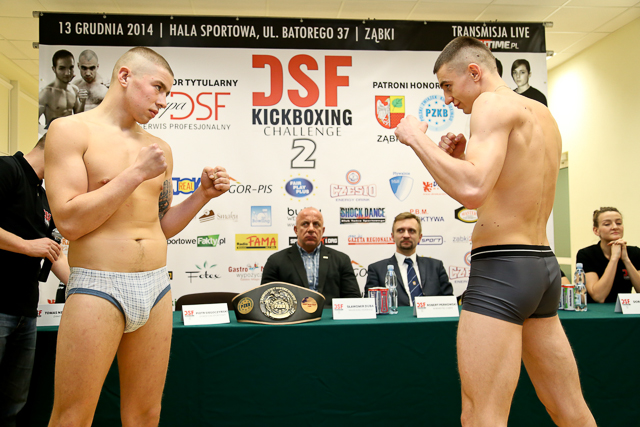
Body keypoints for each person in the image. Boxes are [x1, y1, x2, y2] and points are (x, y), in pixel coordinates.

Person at [394, 36, 595, 426]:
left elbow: (472, 190)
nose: (447, 99)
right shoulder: (541, 113)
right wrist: (459, 158)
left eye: (448, 86)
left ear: (474, 72)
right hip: (542, 268)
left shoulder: (489, 104)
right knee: (570, 410)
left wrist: (416, 138)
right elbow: (502, 187)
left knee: (480, 416)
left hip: (503, 269)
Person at [44, 46, 230, 426]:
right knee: (72, 418)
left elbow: (160, 226)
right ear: (125, 76)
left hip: (156, 288)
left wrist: (202, 196)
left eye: (168, 93)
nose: (163, 101)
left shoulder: (160, 149)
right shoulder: (70, 131)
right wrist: (135, 173)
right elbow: (70, 222)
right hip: (98, 285)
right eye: (158, 88)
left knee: (146, 415)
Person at [0, 135, 70, 427]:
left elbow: (53, 253)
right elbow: (34, 247)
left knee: (13, 402)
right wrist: (26, 246)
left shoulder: (45, 197)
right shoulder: (7, 169)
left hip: (26, 311)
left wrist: (82, 288)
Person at [261, 207, 361, 306]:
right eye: (305, 224)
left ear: (323, 230)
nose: (311, 229)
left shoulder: (341, 260)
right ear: (296, 230)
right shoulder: (276, 261)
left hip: (330, 316)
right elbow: (266, 299)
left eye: (316, 224)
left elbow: (353, 298)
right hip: (292, 316)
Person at [364, 212, 452, 305]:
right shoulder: (377, 270)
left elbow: (449, 303)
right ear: (393, 236)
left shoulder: (436, 267)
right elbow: (370, 306)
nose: (406, 235)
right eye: (400, 230)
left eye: (412, 231)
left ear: (420, 237)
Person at [576, 207, 640, 303]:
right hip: (596, 310)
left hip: (624, 308)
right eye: (607, 224)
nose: (615, 227)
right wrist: (614, 259)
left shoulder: (634, 252)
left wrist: (626, 259)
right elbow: (598, 297)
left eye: (618, 223)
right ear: (596, 230)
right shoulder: (586, 254)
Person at [38, 50, 87, 128]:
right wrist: (46, 133)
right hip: (54, 133)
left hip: (70, 132)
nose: (67, 73)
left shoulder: (74, 89)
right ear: (54, 69)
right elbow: (33, 120)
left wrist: (83, 102)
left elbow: (78, 116)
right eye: (62, 68)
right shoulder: (46, 93)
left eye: (71, 67)